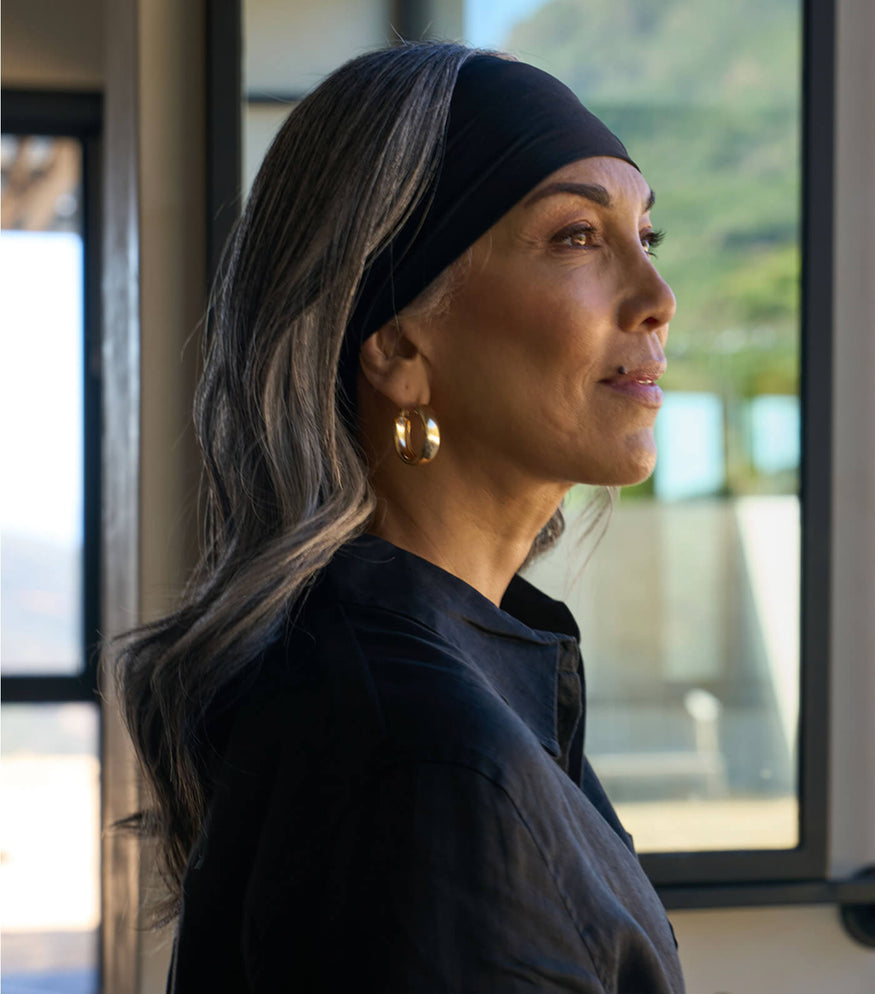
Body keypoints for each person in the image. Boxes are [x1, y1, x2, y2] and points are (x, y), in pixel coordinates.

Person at [108, 42, 685, 992]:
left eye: (646, 238)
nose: (658, 299)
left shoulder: (424, 684)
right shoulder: (430, 763)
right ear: (398, 344)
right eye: (578, 236)